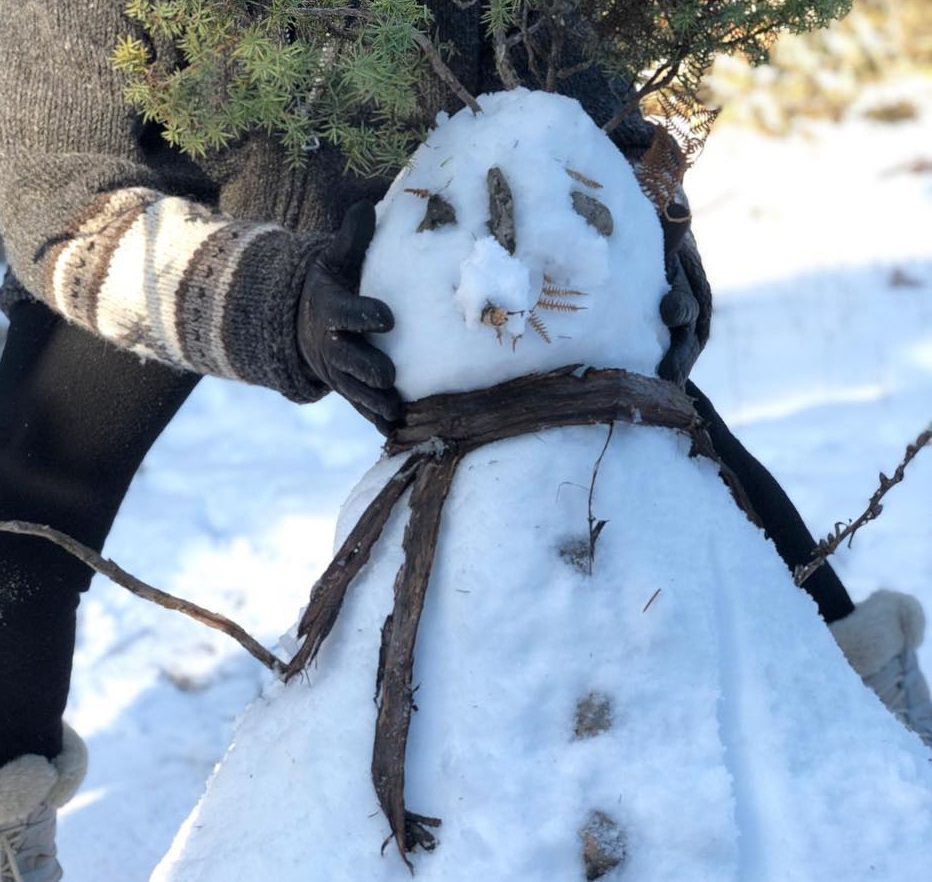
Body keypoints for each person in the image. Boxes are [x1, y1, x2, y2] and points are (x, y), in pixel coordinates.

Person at [0, 4, 929, 879]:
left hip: (437, 209)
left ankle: (867, 736)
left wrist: (647, 238)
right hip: (172, 223)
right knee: (29, 493)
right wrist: (269, 304)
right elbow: (57, 202)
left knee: (651, 419)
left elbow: (564, 74)